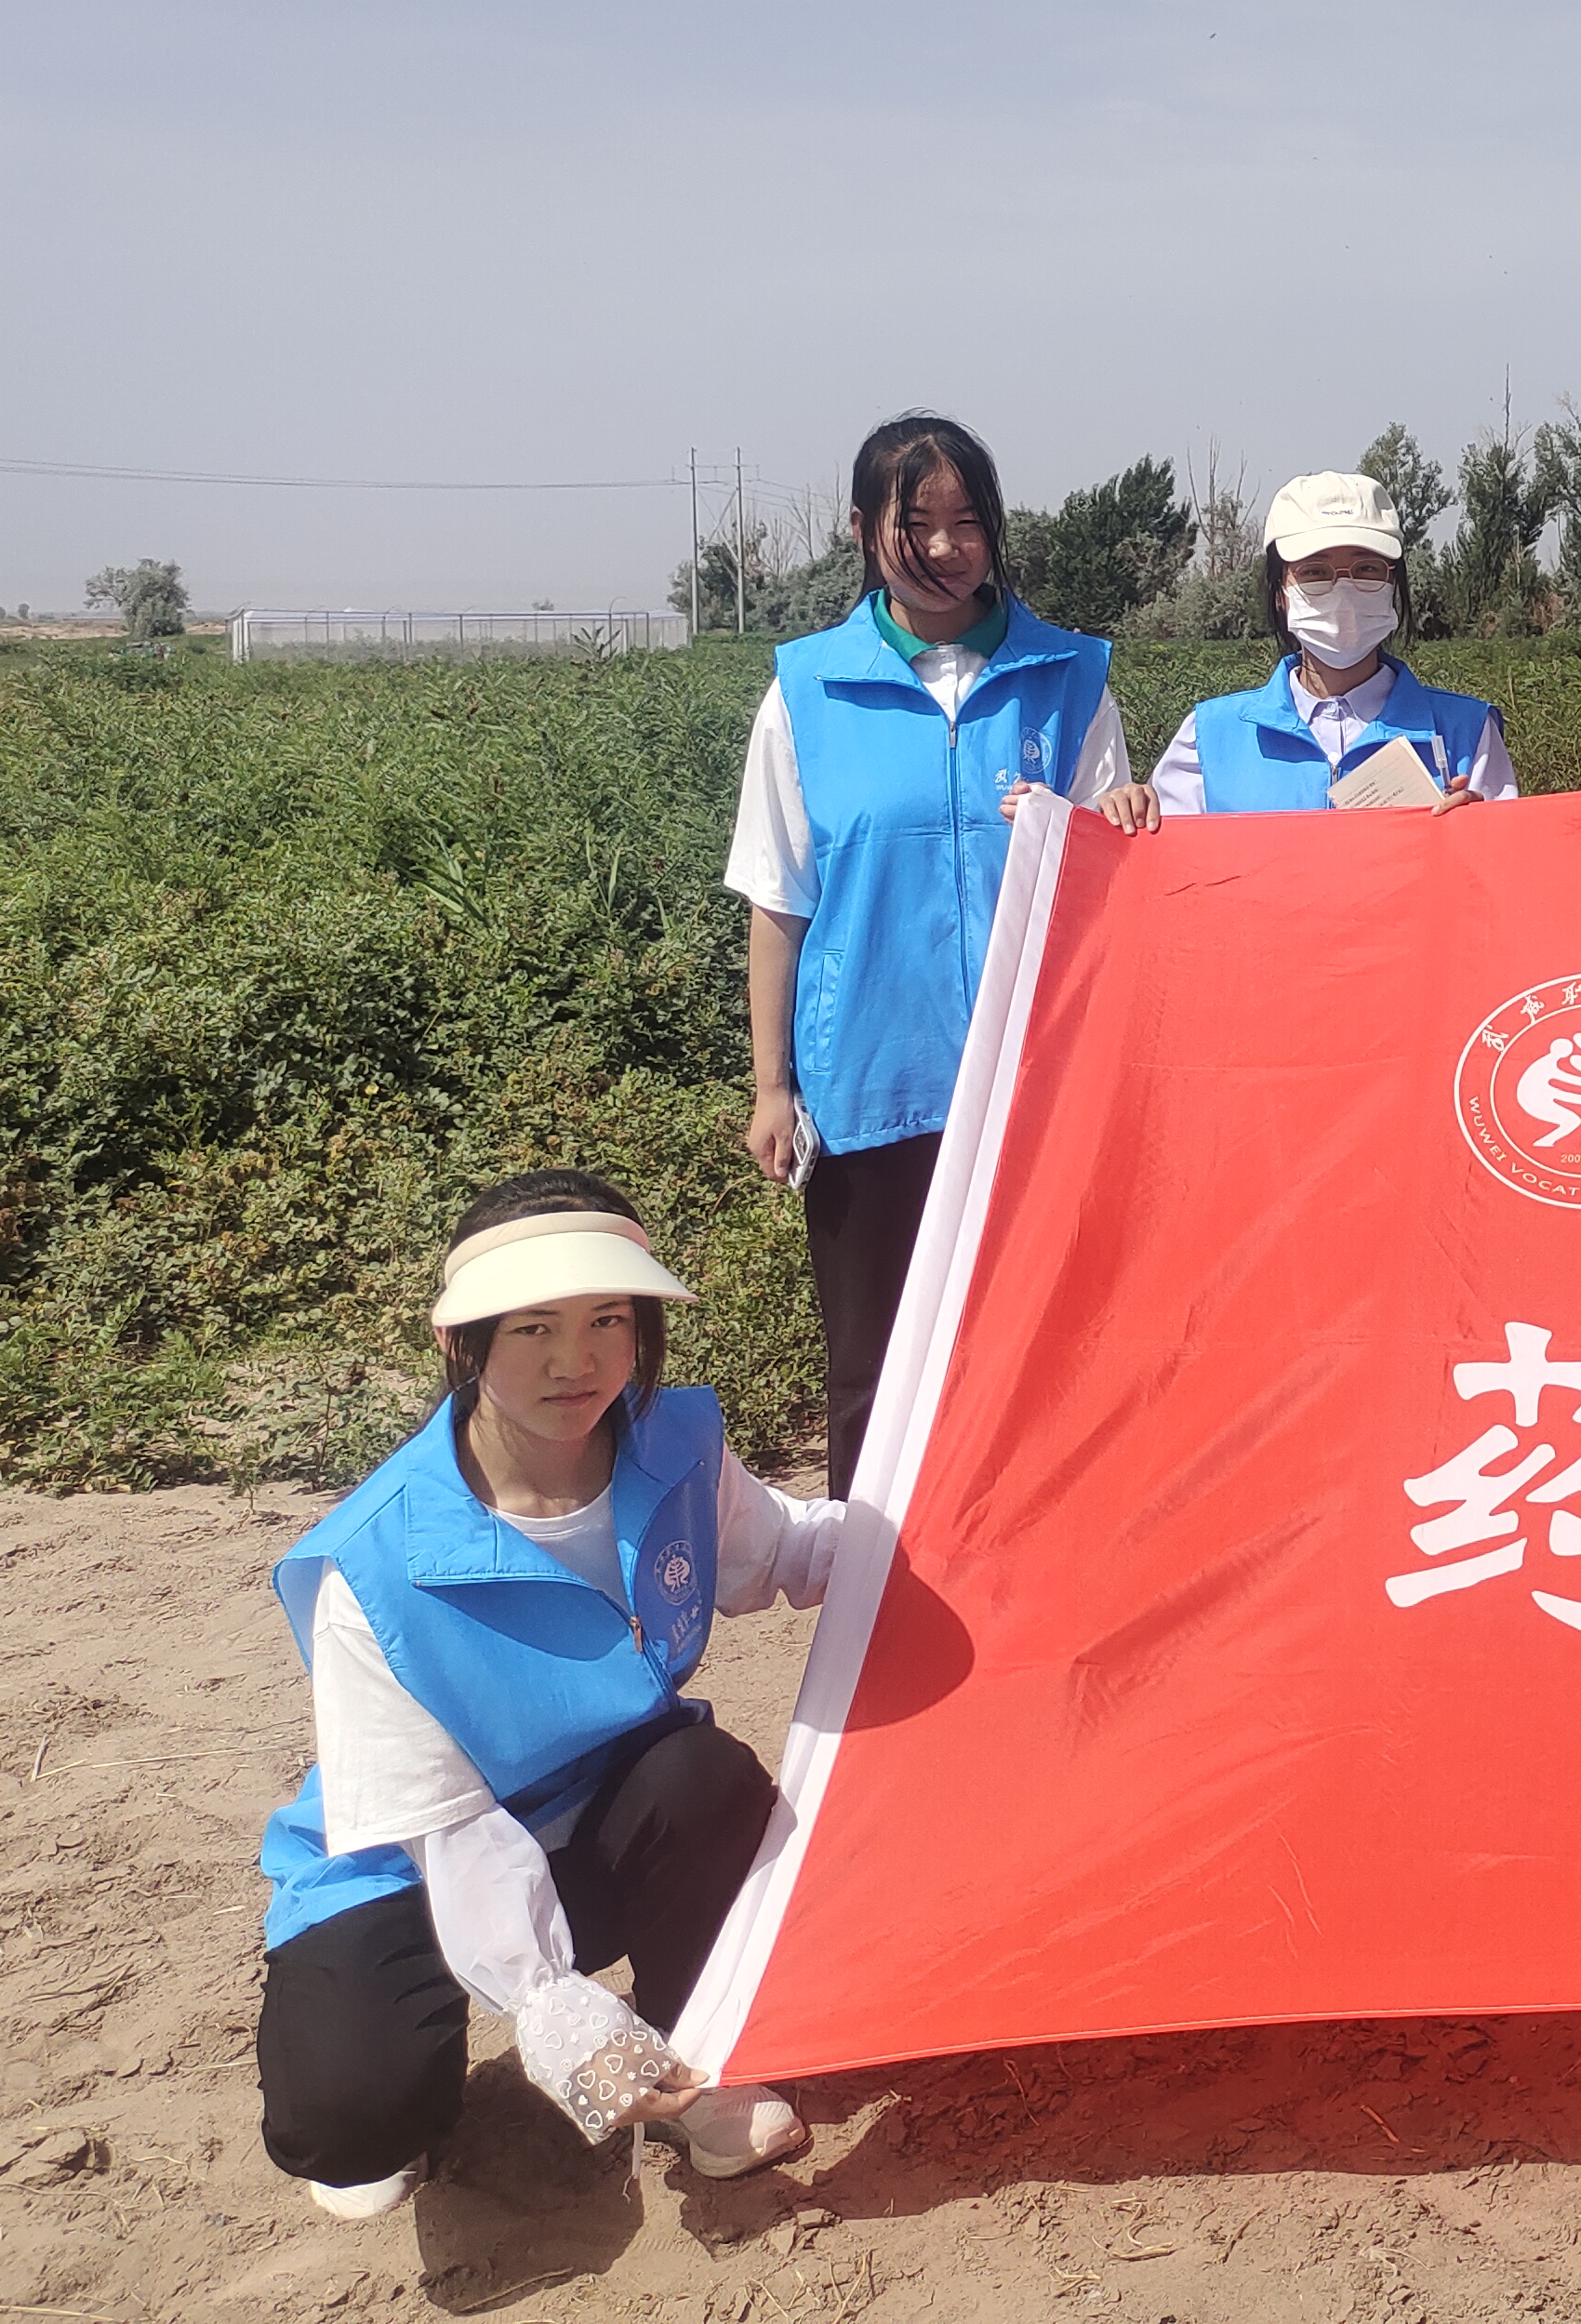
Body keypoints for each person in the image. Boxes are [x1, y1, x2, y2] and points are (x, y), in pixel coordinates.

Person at [254, 1173, 843, 2216]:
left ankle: (697, 2051)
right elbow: (442, 1824)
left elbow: (779, 1550)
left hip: (604, 1817)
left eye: (609, 1319)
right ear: (459, 1342)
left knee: (704, 1773)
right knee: (349, 2120)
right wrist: (548, 2004)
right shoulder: (374, 1565)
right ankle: (399, 2073)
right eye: (533, 1328)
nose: (578, 1362)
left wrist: (930, 1524)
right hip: (411, 1862)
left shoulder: (673, 1444)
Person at [728, 415, 1125, 1493]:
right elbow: (778, 901)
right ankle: (877, 1581)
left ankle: (1032, 1568)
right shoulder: (809, 691)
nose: (946, 547)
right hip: (872, 1085)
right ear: (864, 531)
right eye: (918, 523)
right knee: (874, 1369)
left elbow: (1110, 880)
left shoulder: (1070, 679)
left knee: (1041, 1354)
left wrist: (1121, 821)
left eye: (968, 521)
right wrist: (772, 1086)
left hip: (1031, 1083)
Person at [1100, 472, 1516, 821]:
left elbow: (1498, 880)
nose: (1343, 589)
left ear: (1394, 582)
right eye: (1315, 571)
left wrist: (1479, 836)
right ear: (1280, 592)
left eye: (1366, 568)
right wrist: (1131, 813)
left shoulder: (1467, 732)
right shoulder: (1209, 737)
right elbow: (1170, 875)